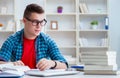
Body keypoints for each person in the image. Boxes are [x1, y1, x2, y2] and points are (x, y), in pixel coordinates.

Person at [0, 4, 68, 70]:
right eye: (35, 22)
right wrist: (11, 64)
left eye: (42, 22)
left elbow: (64, 65)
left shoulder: (47, 40)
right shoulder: (12, 40)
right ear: (24, 21)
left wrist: (53, 63)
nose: (39, 26)